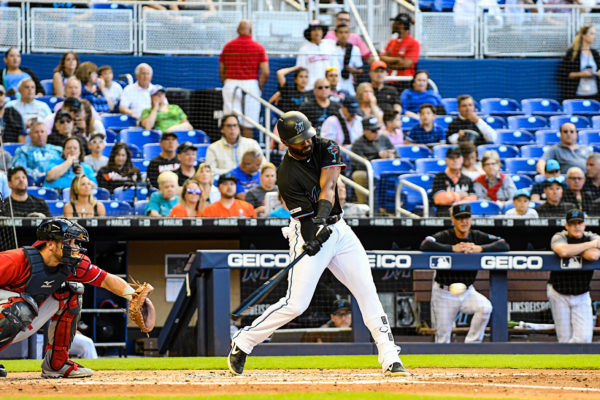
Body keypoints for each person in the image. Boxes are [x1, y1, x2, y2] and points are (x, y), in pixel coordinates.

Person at [228, 111, 408, 377]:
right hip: (305, 229)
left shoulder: (327, 146)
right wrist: (313, 237)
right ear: (287, 143)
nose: (307, 142)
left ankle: (390, 356)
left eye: (308, 135)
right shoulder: (286, 175)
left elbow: (330, 186)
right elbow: (306, 219)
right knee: (296, 304)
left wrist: (324, 219)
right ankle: (243, 341)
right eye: (300, 140)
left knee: (367, 290)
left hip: (339, 228)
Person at [0, 218, 146, 377]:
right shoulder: (15, 259)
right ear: (50, 244)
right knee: (21, 308)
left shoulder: (72, 265)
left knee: (72, 291)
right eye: (69, 242)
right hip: (12, 310)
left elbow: (106, 280)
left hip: (24, 318)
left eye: (75, 242)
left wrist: (134, 296)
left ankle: (56, 364)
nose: (75, 247)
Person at [420, 203, 509, 343]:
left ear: (471, 218)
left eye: (466, 217)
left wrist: (481, 248)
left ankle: (472, 344)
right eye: (460, 218)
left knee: (485, 308)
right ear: (453, 220)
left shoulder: (477, 236)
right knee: (442, 339)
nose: (464, 221)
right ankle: (441, 365)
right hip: (444, 293)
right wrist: (452, 248)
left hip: (467, 292)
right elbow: (426, 243)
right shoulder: (446, 235)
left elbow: (503, 243)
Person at [548, 209, 599, 343]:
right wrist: (588, 246)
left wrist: (574, 249)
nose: (577, 227)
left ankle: (576, 363)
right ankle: (566, 364)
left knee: (584, 338)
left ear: (584, 225)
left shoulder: (592, 236)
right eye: (573, 224)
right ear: (567, 226)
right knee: (564, 339)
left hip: (581, 293)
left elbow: (593, 255)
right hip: (559, 292)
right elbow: (563, 251)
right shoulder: (559, 236)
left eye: (579, 223)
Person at [219, 19, 269, 138]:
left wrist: (226, 83)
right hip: (251, 84)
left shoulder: (228, 47)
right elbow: (266, 72)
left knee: (230, 122)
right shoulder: (258, 47)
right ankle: (248, 153)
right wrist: (258, 86)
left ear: (237, 30)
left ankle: (230, 153)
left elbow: (221, 70)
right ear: (251, 31)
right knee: (249, 124)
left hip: (231, 84)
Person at [351, 116, 399, 204]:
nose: (376, 132)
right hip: (369, 172)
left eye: (377, 129)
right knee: (358, 175)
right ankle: (364, 206)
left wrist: (392, 156)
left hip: (387, 170)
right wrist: (377, 156)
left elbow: (397, 155)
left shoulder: (383, 138)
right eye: (373, 131)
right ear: (365, 131)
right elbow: (358, 165)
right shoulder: (358, 144)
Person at [560, 25, 600, 101]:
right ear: (583, 36)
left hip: (595, 95)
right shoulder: (573, 53)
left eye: (595, 34)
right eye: (591, 33)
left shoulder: (595, 53)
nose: (594, 36)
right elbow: (564, 74)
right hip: (576, 95)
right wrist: (581, 74)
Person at [296, 20, 336, 91]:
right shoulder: (304, 50)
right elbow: (301, 69)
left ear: (323, 32)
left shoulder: (330, 47)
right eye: (314, 30)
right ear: (310, 32)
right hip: (311, 87)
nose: (317, 32)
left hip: (327, 87)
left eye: (319, 29)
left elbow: (335, 67)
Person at [380, 14, 420, 80]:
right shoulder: (392, 41)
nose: (393, 25)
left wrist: (388, 63)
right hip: (390, 79)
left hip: (405, 80)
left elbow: (405, 64)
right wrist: (397, 59)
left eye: (395, 23)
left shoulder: (414, 43)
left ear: (402, 25)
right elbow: (381, 58)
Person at [332, 24, 363, 96]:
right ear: (336, 34)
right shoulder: (331, 48)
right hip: (334, 84)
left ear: (349, 34)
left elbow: (360, 70)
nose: (343, 35)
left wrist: (353, 70)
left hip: (348, 84)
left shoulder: (355, 49)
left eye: (346, 32)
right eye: (341, 32)